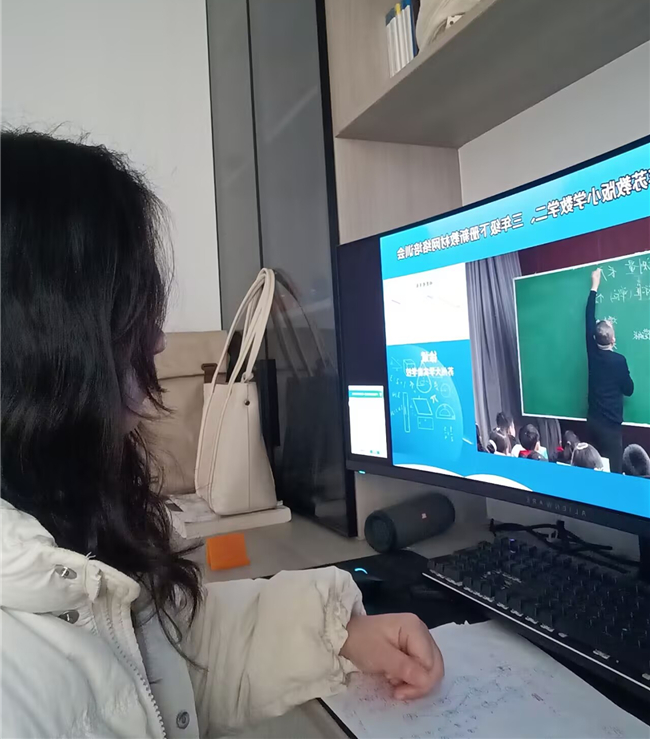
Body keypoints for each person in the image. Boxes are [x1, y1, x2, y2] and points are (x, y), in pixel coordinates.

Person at [1, 131, 443, 738]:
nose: (159, 340)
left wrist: (342, 636)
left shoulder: (61, 512)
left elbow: (173, 657)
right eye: (130, 311)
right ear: (45, 336)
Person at [586, 269, 634, 473]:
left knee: (594, 470)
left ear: (595, 338)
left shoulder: (592, 352)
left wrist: (594, 286)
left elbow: (588, 318)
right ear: (613, 340)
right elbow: (629, 390)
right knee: (613, 473)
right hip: (611, 430)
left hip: (593, 423)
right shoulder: (619, 361)